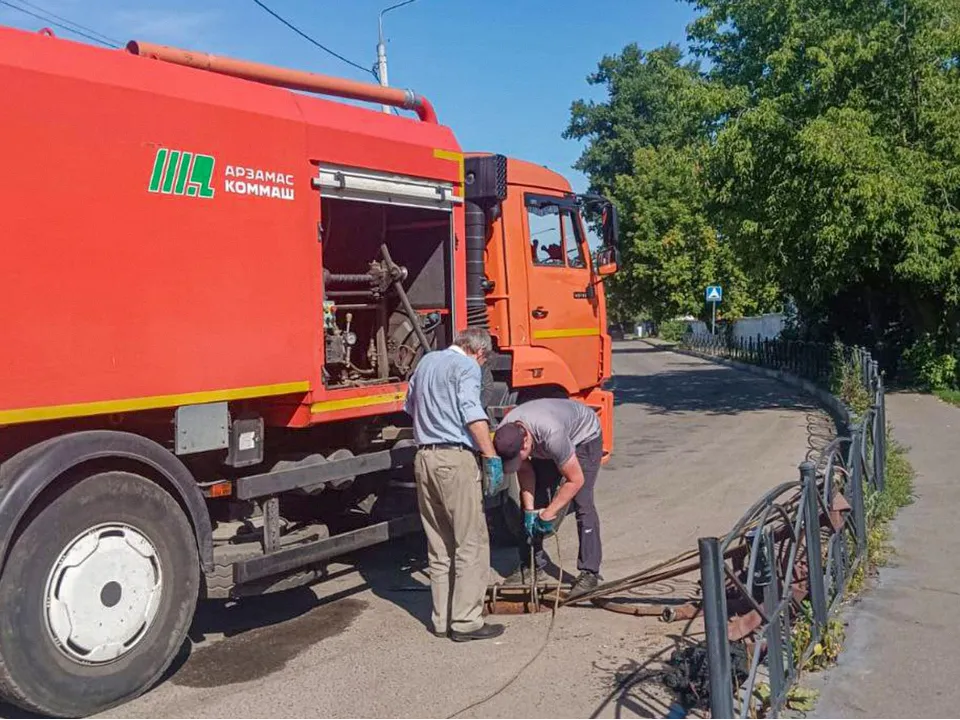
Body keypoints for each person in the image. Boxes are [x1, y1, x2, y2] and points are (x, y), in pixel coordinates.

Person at [403, 327, 505, 642]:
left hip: (424, 458)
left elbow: (408, 406)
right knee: (470, 542)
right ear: (480, 353)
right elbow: (472, 412)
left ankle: (442, 619)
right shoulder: (467, 367)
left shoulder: (427, 362)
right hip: (454, 459)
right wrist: (490, 455)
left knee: (439, 545)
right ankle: (466, 621)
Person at [493, 398, 604, 599]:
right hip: (545, 442)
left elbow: (575, 480)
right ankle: (531, 566)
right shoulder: (506, 434)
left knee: (582, 500)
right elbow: (525, 471)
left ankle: (590, 573)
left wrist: (549, 513)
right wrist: (529, 511)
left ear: (526, 441)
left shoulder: (552, 435)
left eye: (520, 454)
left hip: (583, 436)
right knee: (535, 502)